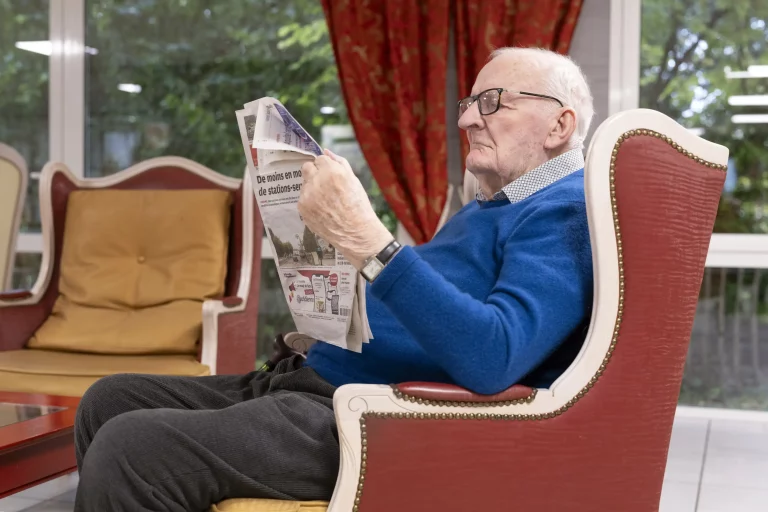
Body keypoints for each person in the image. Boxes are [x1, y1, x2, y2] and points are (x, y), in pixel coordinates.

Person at [73, 47, 595, 511]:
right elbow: (426, 313)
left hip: (368, 417)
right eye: (468, 103)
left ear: (559, 126)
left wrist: (370, 241)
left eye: (493, 101)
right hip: (316, 381)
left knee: (132, 447)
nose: (467, 122)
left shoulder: (565, 210)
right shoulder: (491, 206)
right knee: (108, 399)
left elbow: (494, 354)